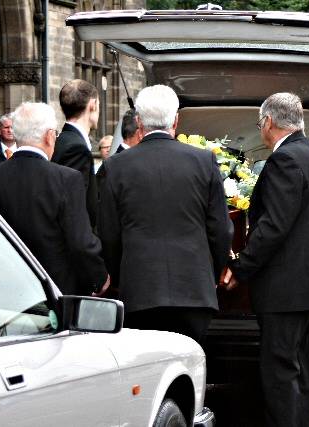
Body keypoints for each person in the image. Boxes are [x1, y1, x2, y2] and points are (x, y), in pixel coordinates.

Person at [223, 92, 309, 427]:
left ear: (268, 122)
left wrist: (241, 267)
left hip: (288, 292)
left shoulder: (286, 160)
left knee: (283, 375)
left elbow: (273, 226)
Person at [98, 84, 233, 345]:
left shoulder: (116, 166)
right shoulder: (203, 161)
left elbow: (109, 233)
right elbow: (221, 228)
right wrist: (212, 272)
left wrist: (119, 276)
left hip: (140, 290)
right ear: (176, 120)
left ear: (138, 121)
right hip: (194, 289)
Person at [0, 102, 109, 296]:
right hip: (53, 292)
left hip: (0, 293)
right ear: (49, 136)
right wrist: (100, 278)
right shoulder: (67, 179)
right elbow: (80, 242)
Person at [52, 79, 100, 226]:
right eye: (98, 105)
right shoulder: (76, 149)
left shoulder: (64, 140)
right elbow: (74, 208)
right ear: (92, 105)